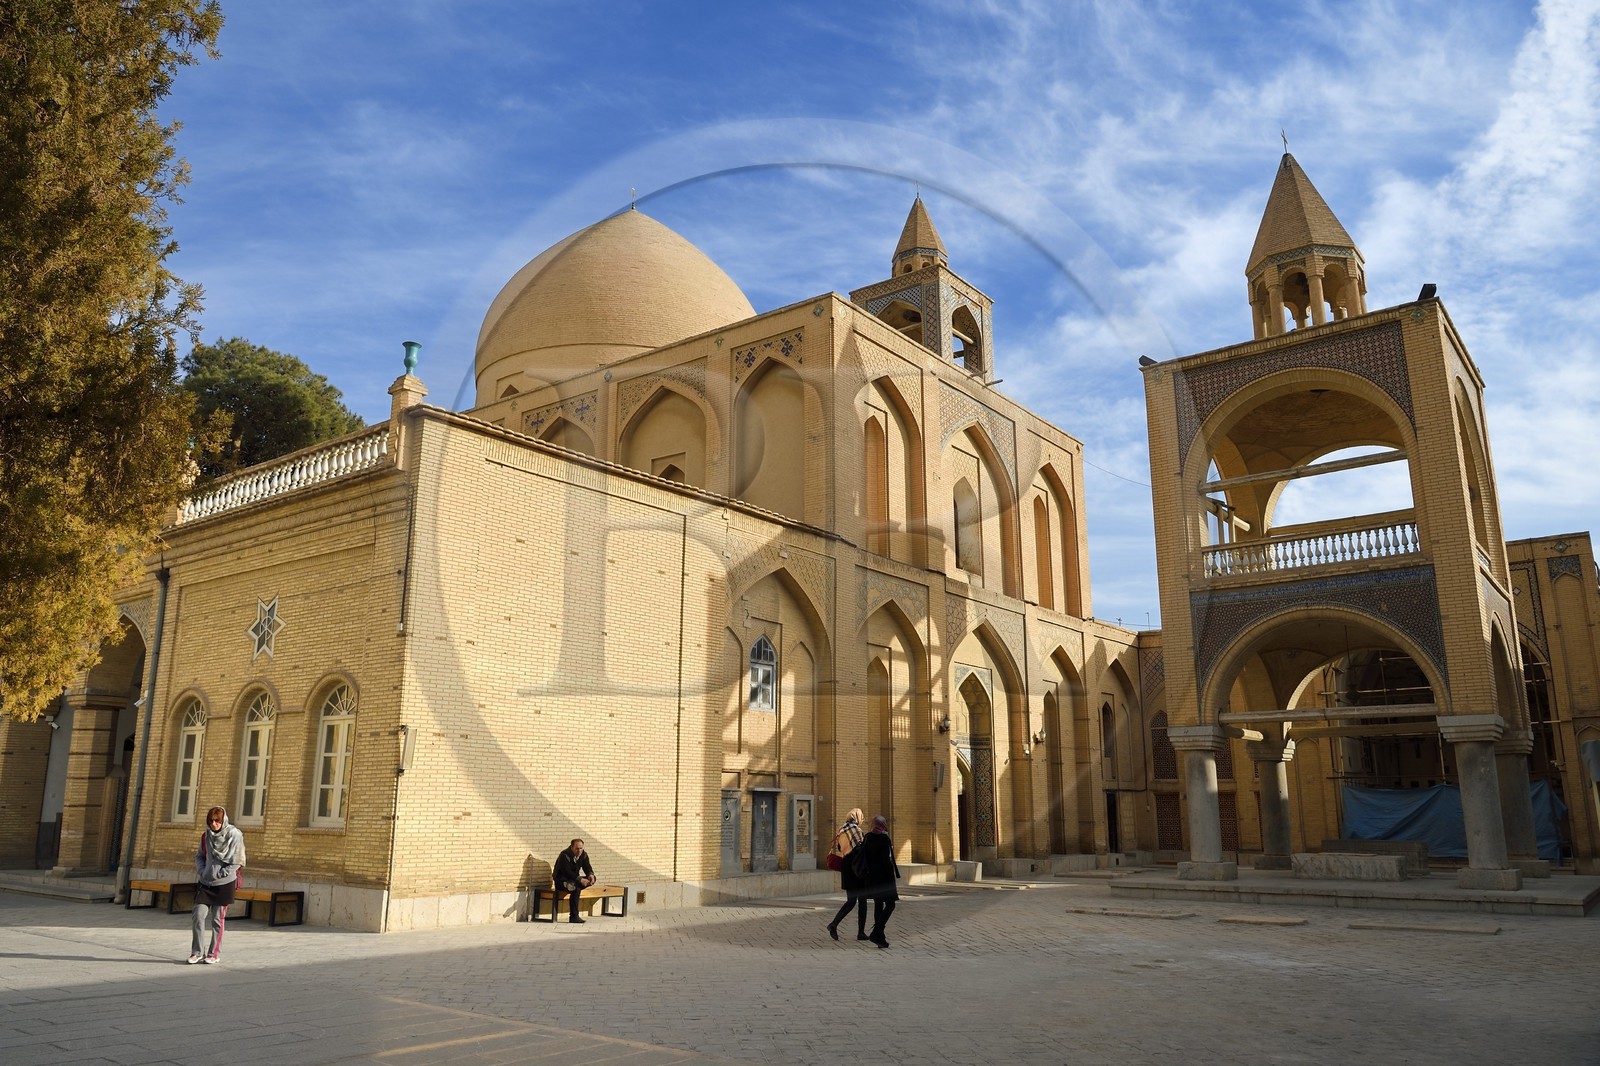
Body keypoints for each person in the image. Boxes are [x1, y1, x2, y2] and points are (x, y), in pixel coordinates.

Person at [189, 805, 245, 964]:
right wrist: (202, 870)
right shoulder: (206, 836)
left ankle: (213, 953)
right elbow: (199, 856)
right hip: (205, 882)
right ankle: (197, 952)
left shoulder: (234, 835)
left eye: (217, 821)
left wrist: (223, 873)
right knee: (198, 915)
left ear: (223, 820)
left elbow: (238, 860)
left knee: (217, 920)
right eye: (211, 821)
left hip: (224, 884)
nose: (214, 824)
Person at [825, 807, 868, 942]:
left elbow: (840, 848)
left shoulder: (841, 831)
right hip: (857, 868)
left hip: (847, 868)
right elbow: (861, 849)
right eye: (861, 817)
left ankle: (834, 924)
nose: (862, 819)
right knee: (862, 901)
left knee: (851, 900)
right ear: (857, 817)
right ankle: (861, 932)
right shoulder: (856, 831)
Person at [859, 814, 901, 949]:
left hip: (872, 878)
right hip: (885, 878)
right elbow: (887, 859)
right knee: (890, 904)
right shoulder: (884, 839)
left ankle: (880, 937)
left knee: (878, 904)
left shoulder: (868, 837)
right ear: (883, 825)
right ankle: (877, 931)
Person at [552, 838, 596, 924]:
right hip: (562, 881)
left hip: (574, 880)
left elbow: (587, 867)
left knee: (592, 878)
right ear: (572, 847)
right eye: (577, 849)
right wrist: (580, 880)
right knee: (576, 889)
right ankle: (574, 916)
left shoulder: (583, 855)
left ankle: (576, 885)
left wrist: (590, 874)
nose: (579, 851)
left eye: (581, 848)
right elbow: (567, 872)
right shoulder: (564, 855)